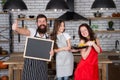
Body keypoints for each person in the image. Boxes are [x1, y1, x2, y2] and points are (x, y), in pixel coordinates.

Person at [12, 14, 54, 80]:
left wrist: (51, 53)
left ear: (46, 23)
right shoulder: (32, 32)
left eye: (44, 21)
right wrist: (16, 29)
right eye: (39, 21)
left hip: (42, 66)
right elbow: (24, 31)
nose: (42, 23)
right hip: (30, 65)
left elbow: (49, 55)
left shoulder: (48, 37)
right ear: (36, 23)